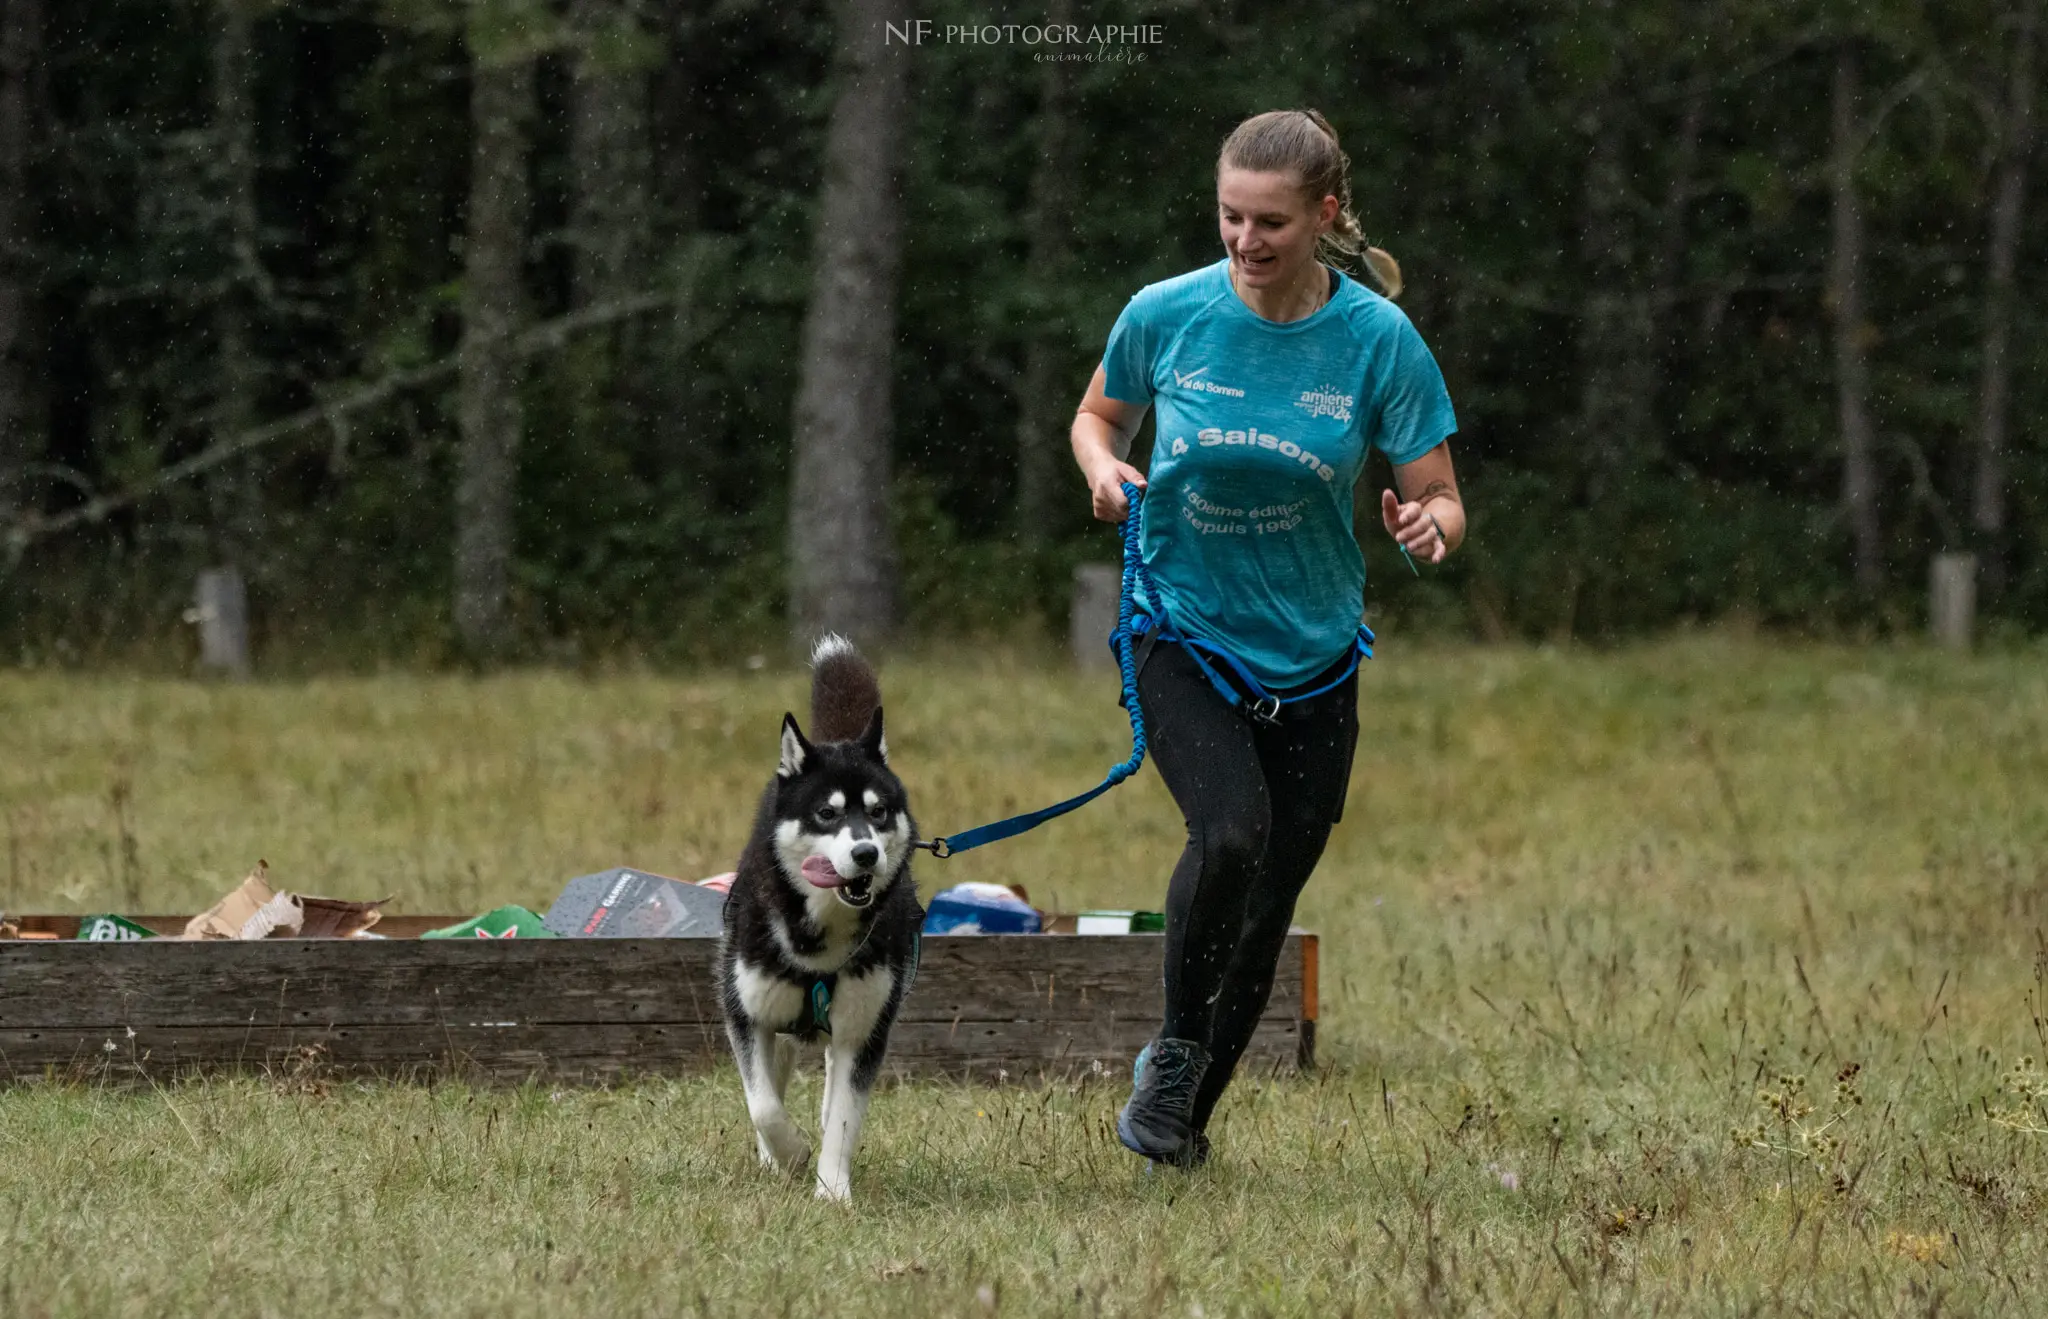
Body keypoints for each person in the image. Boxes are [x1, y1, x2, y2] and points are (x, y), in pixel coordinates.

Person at [1068, 109, 1465, 1167]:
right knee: (1232, 833)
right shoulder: (1166, 314)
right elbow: (1096, 417)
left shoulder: (1377, 340)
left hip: (1315, 647)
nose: (1243, 241)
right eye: (1228, 217)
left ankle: (1179, 1121)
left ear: (1323, 215)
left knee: (1272, 890)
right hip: (1179, 628)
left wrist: (1428, 523)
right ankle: (1172, 1057)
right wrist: (1104, 471)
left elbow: (1439, 493)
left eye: (1270, 223)